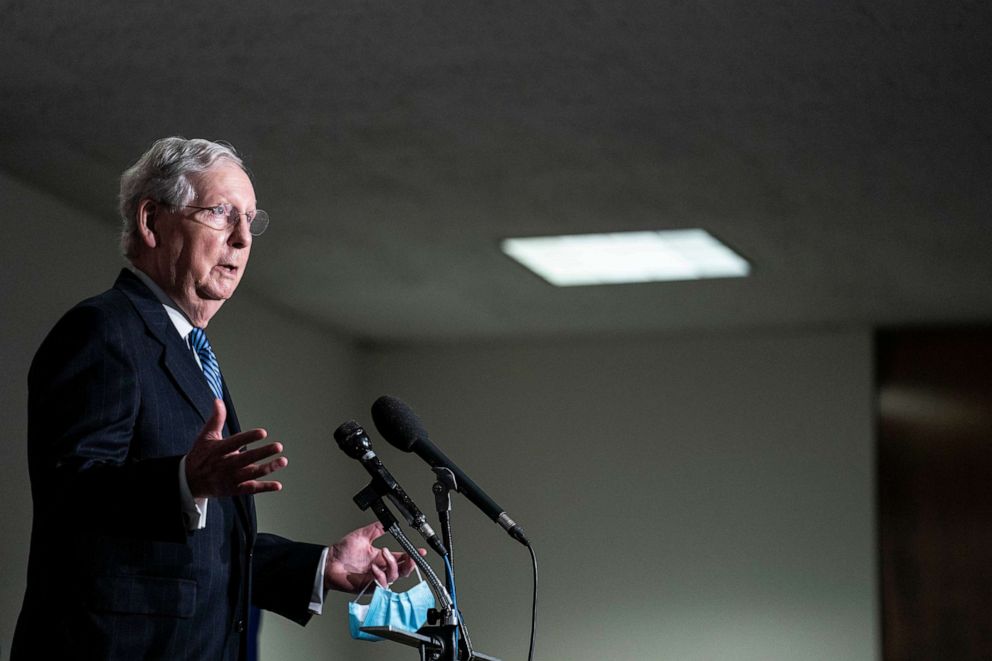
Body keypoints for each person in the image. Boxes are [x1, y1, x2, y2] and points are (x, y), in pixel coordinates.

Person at [12, 137, 420, 660]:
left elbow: (203, 554)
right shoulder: (104, 330)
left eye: (251, 219)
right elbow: (70, 495)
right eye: (222, 213)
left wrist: (321, 565)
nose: (243, 237)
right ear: (150, 221)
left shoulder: (193, 350)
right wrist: (185, 480)